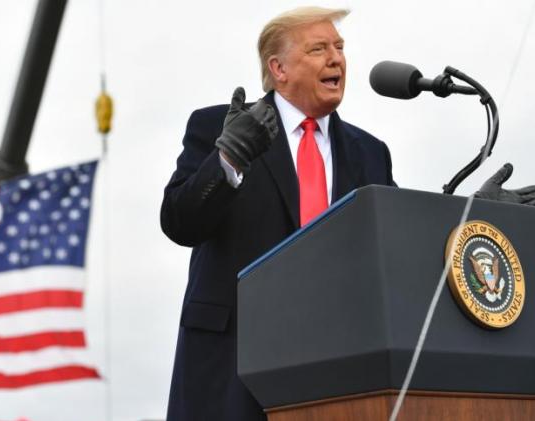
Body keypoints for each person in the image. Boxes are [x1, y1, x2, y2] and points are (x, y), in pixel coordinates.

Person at [160, 6, 395, 421]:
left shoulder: (370, 153)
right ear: (279, 68)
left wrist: (471, 218)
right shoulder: (219, 126)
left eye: (339, 47)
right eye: (319, 49)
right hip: (233, 369)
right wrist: (229, 157)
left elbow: (398, 241)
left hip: (339, 372)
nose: (336, 58)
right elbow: (180, 222)